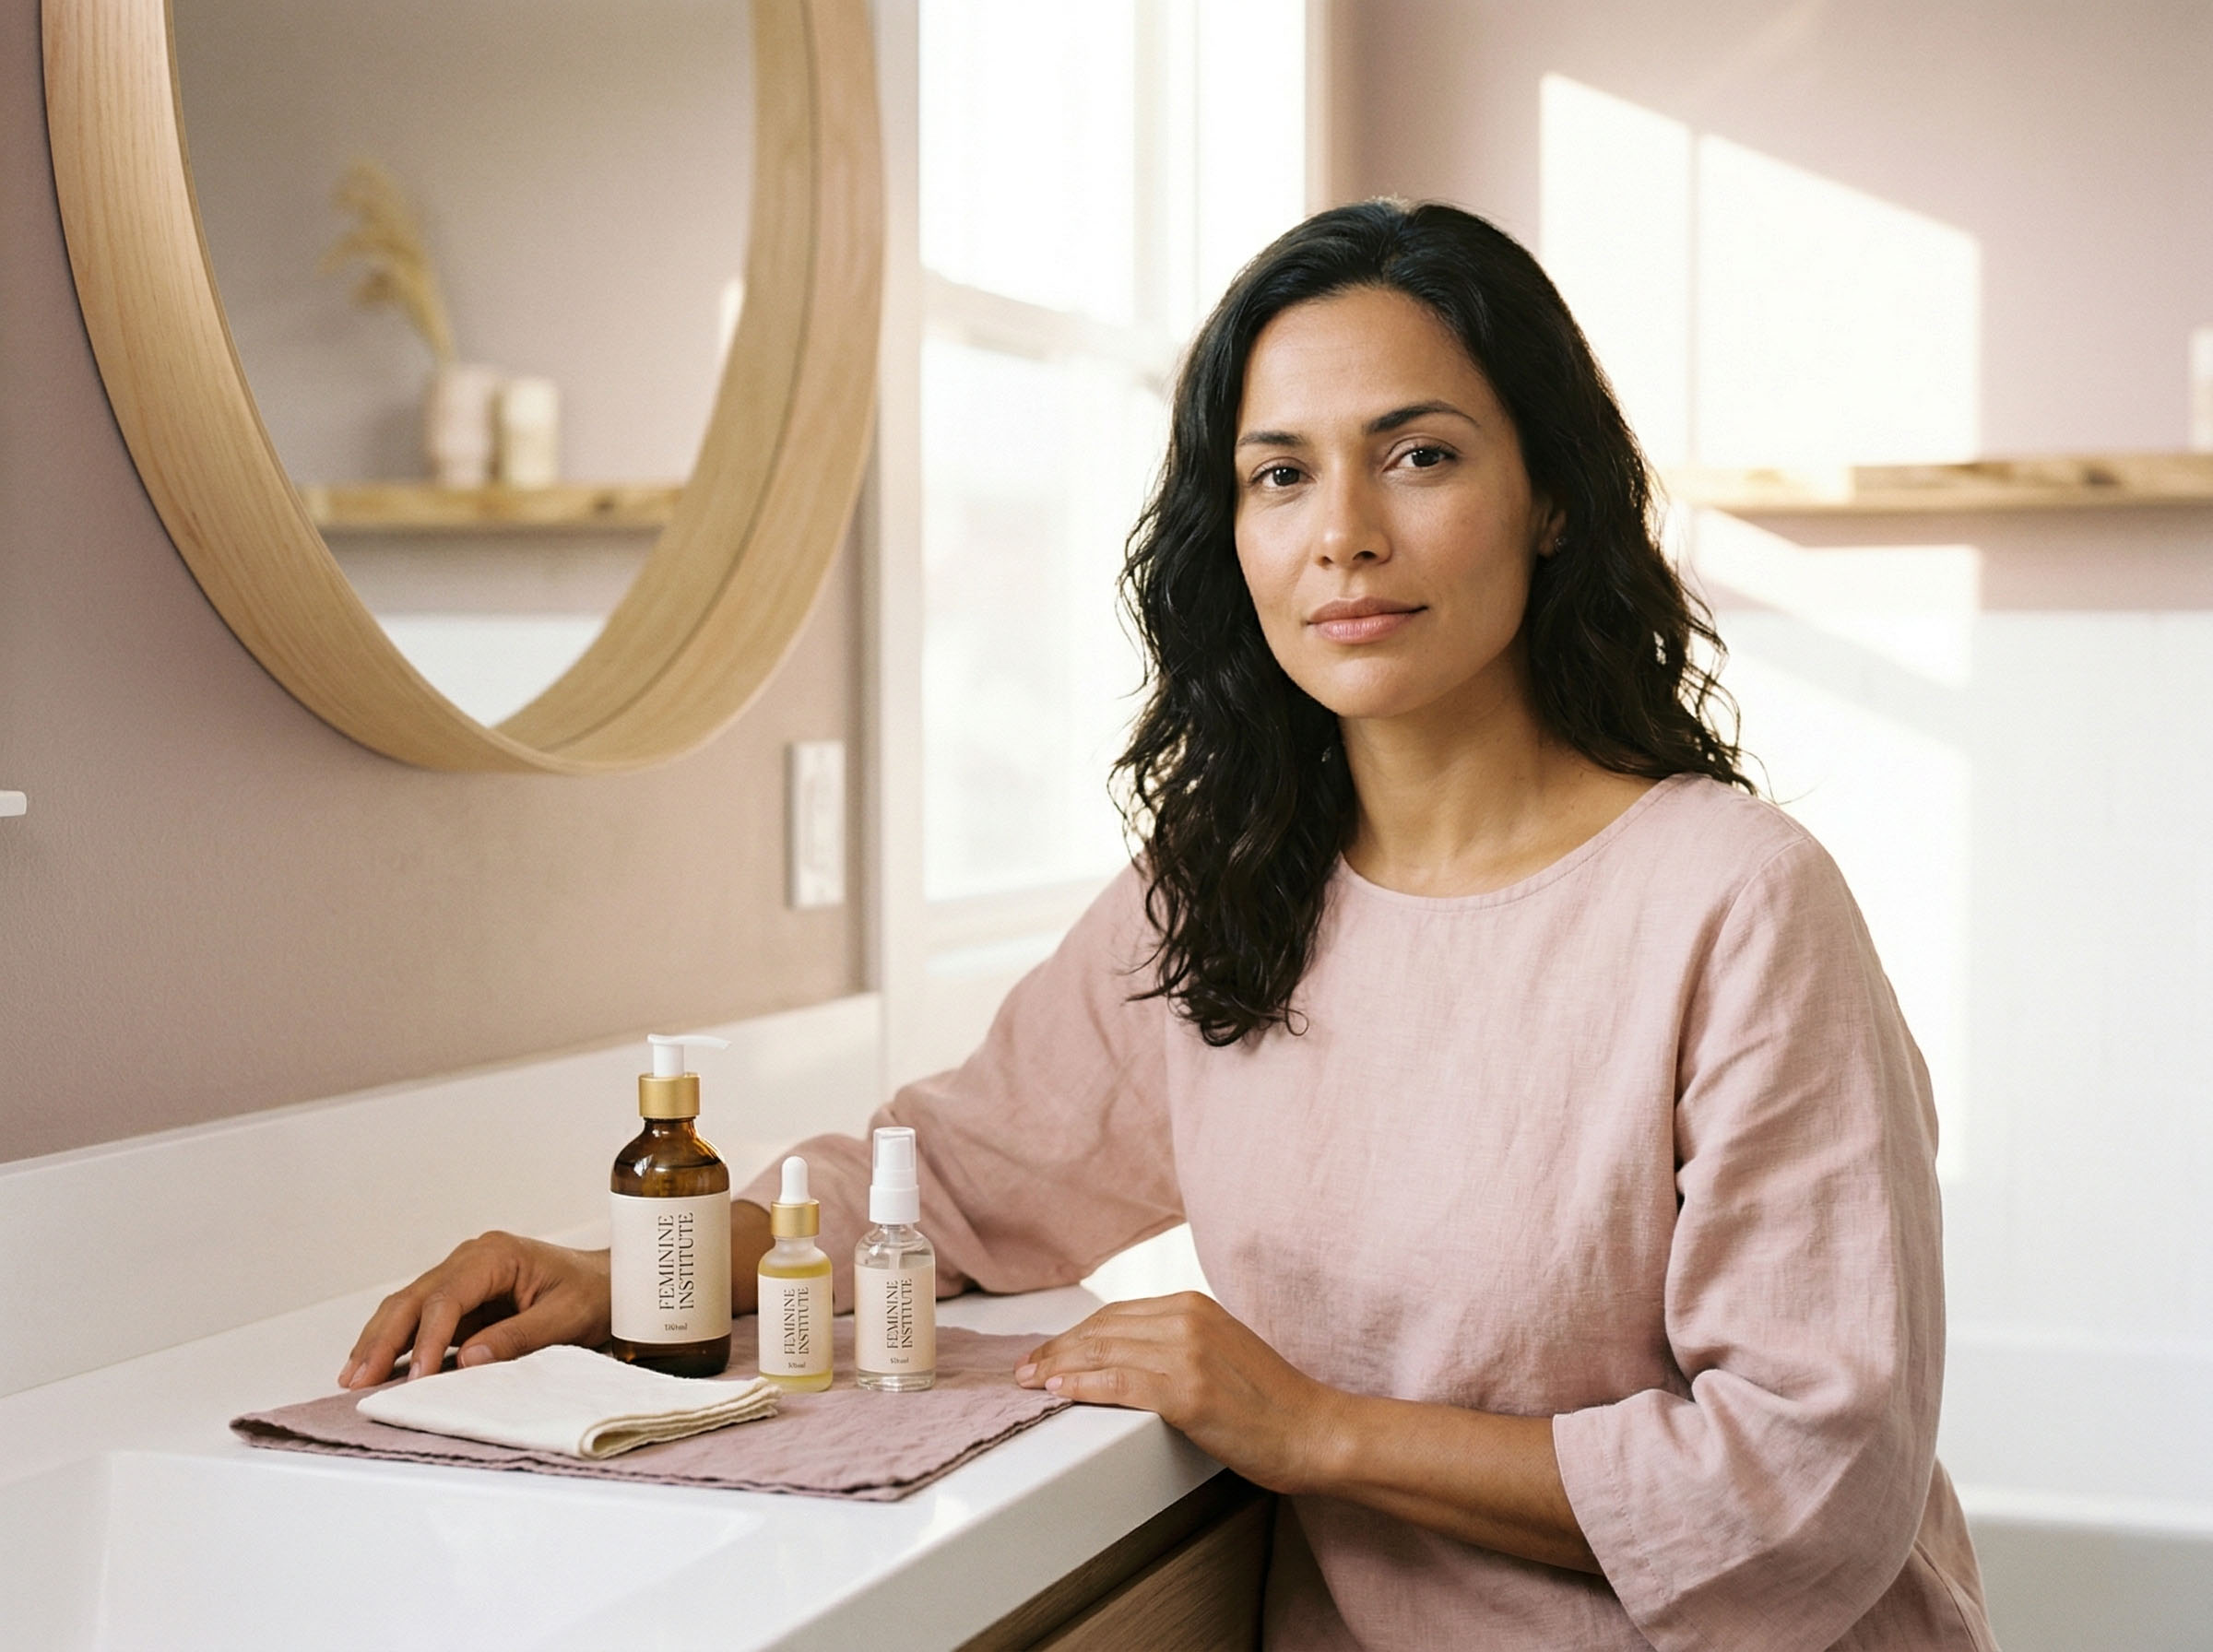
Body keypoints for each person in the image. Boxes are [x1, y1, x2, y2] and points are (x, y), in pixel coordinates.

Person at [340, 200, 1996, 1651]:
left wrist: (1317, 1431)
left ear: (1552, 499)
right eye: (1281, 474)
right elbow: (961, 1184)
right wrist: (631, 1272)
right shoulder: (1223, 893)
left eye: (1418, 454)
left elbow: (1810, 1491)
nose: (1342, 529)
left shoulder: (1735, 902)